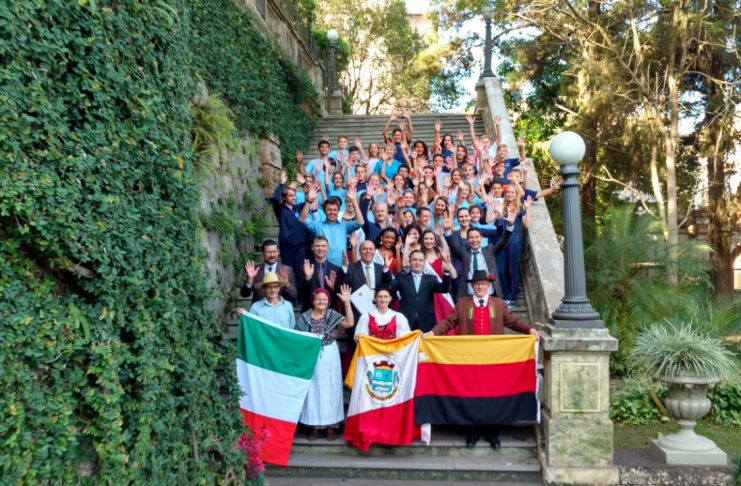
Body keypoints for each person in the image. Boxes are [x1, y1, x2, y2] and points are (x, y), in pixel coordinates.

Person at [426, 270, 540, 448]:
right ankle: (473, 431)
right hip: (470, 361)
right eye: (477, 284)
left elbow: (513, 321)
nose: (480, 287)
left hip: (492, 361)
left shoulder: (499, 304)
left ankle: (492, 432)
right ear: (472, 286)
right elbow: (449, 322)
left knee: (493, 395)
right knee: (472, 395)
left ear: (489, 286)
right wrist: (433, 333)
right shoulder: (463, 303)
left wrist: (529, 329)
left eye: (483, 284)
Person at [295, 285, 355, 441]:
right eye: (318, 299)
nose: (321, 302)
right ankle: (313, 427)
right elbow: (297, 338)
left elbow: (349, 323)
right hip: (311, 355)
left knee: (331, 389)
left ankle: (331, 427)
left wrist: (347, 303)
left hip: (330, 355)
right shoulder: (305, 318)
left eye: (324, 299)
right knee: (313, 390)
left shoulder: (333, 315)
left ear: (328, 302)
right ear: (313, 301)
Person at [443, 211, 513, 299]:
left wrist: (510, 225)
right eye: (471, 238)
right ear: (467, 240)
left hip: (489, 293)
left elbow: (503, 241)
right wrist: (447, 230)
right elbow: (453, 246)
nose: (474, 240)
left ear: (481, 238)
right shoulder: (464, 253)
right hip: (469, 295)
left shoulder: (490, 250)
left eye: (477, 237)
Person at [385, 249, 451, 333]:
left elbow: (444, 289)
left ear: (424, 262)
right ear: (409, 262)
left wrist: (447, 272)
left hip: (427, 322)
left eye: (420, 260)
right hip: (405, 321)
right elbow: (390, 286)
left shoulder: (431, 278)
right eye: (414, 260)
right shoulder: (401, 277)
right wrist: (386, 269)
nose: (417, 262)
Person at [300, 187, 364, 267]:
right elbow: (302, 219)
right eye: (329, 210)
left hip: (341, 266)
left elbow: (360, 222)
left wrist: (354, 201)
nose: (332, 212)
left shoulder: (344, 225)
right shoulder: (318, 225)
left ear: (338, 211)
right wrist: (309, 200)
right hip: (323, 266)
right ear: (324, 211)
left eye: (334, 210)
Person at [271, 171, 312, 276]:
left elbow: (309, 201)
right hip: (287, 247)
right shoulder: (281, 210)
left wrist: (304, 185)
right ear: (284, 198)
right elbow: (275, 198)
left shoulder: (298, 208)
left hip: (301, 248)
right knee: (288, 273)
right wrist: (281, 184)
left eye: (294, 195)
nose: (294, 198)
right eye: (290, 196)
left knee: (301, 274)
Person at [344, 240, 388, 322]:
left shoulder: (382, 269)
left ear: (374, 252)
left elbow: (390, 287)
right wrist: (344, 268)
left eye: (371, 249)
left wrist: (386, 269)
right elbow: (343, 287)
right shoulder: (350, 269)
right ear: (360, 251)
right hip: (357, 314)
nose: (368, 251)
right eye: (365, 249)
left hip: (378, 312)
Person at [299, 236, 344, 312]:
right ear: (312, 247)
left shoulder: (336, 269)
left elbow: (340, 295)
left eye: (323, 246)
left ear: (328, 248)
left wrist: (333, 288)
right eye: (317, 246)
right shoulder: (304, 268)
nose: (320, 248)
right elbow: (300, 295)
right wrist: (308, 278)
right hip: (310, 311)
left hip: (330, 311)